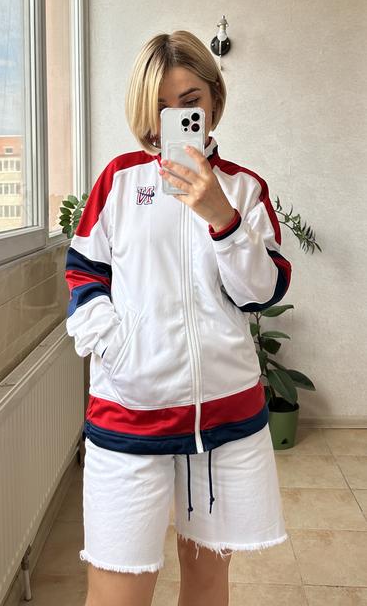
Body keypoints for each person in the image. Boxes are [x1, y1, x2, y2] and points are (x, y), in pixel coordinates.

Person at [65, 30, 292, 606]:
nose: (177, 118)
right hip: (130, 414)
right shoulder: (118, 181)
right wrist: (117, 348)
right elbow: (84, 275)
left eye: (190, 102)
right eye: (161, 106)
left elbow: (261, 293)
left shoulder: (243, 189)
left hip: (225, 418)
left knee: (208, 585)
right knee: (117, 592)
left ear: (214, 99)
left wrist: (223, 219)